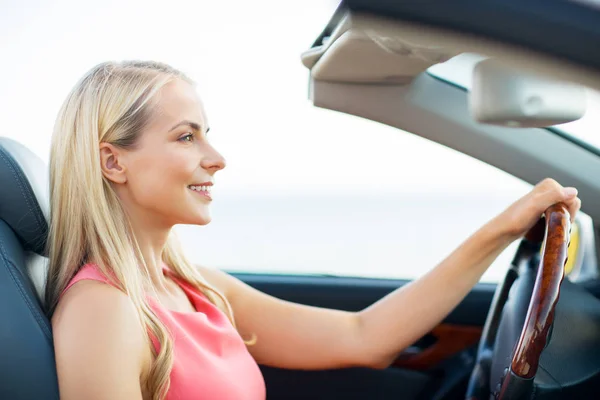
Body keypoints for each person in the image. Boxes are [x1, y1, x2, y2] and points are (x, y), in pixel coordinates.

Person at [46, 60, 581, 400]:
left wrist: (502, 229)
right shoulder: (103, 309)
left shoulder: (195, 287)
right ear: (113, 163)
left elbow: (364, 337)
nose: (217, 158)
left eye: (206, 134)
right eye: (186, 137)